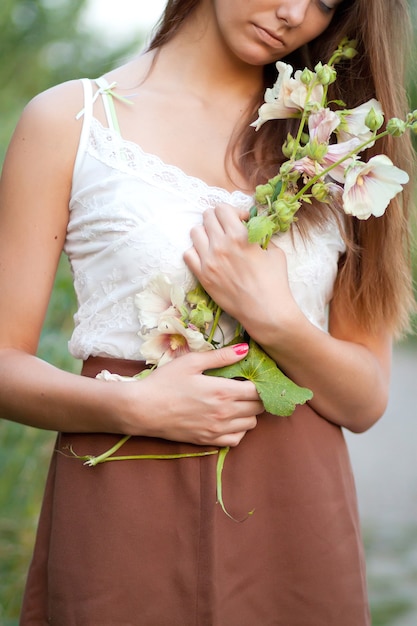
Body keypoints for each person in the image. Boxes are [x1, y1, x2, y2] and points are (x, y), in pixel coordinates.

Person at [0, 0, 415, 623]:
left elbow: (365, 400)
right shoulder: (73, 120)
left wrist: (274, 317)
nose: (294, 12)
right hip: (122, 490)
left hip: (294, 506)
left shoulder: (337, 147)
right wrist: (130, 405)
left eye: (326, 3)